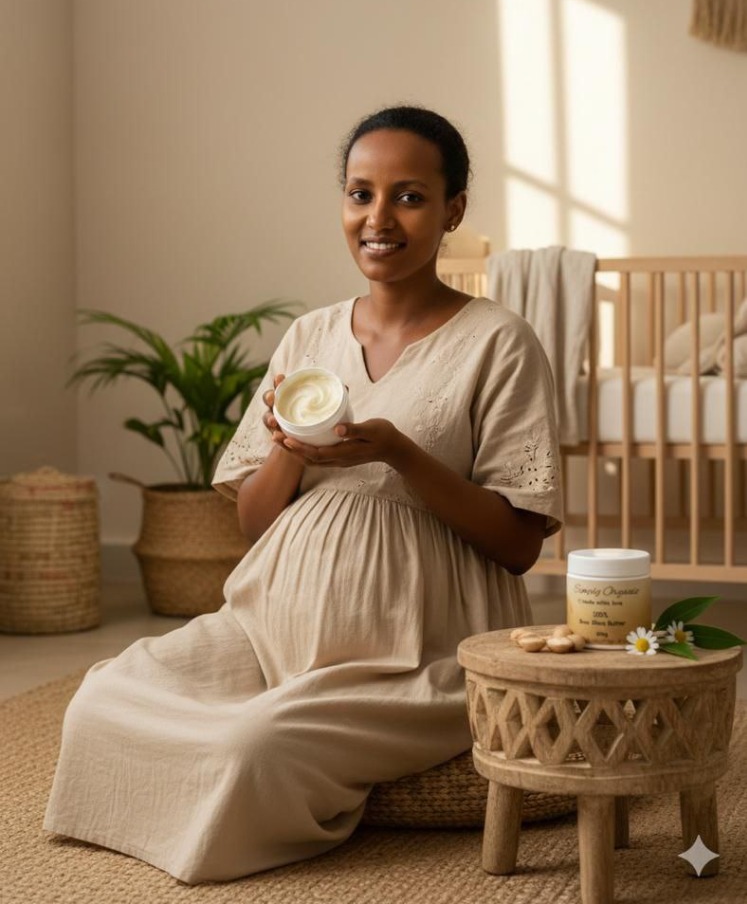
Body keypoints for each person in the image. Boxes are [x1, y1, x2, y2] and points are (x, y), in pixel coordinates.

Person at [43, 105, 563, 885]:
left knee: (251, 746)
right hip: (264, 634)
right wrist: (288, 449)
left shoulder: (498, 341)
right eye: (360, 194)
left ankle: (257, 771)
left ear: (452, 209)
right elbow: (254, 523)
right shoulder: (309, 337)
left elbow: (518, 545)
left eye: (409, 197)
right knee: (101, 698)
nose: (378, 218)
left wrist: (398, 453)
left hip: (417, 658)